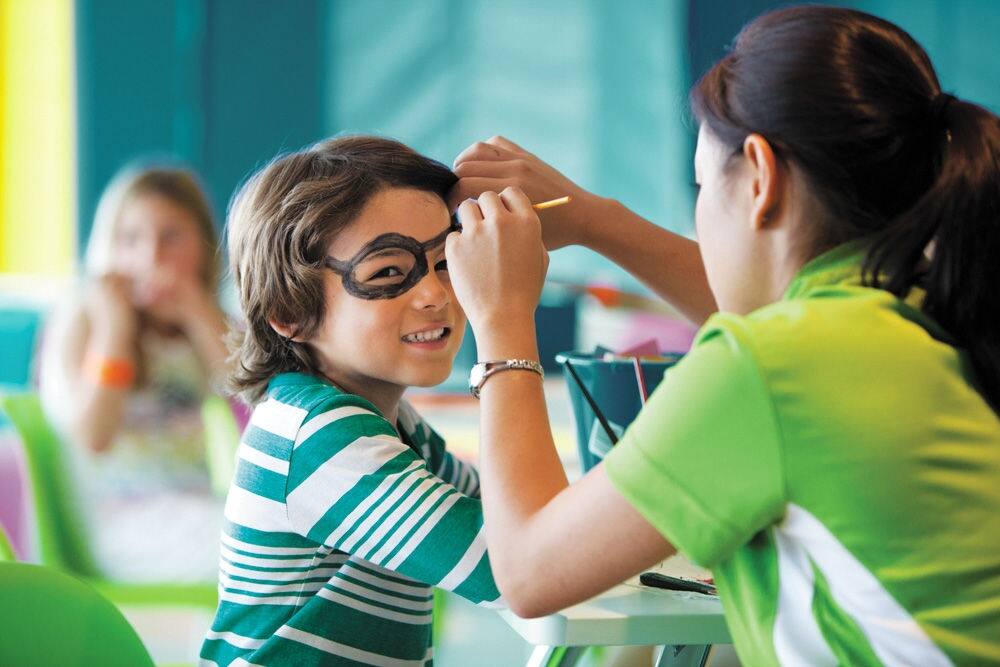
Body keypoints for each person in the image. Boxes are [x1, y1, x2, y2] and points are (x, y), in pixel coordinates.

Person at [444, 6, 1000, 665]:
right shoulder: (935, 309)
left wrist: (503, 317)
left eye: (702, 184)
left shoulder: (771, 364)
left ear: (760, 175)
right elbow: (766, 315)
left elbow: (530, 571)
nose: (702, 212)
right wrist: (593, 220)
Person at [199, 136, 501, 667]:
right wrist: (506, 329)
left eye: (445, 261)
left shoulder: (390, 423)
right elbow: (515, 569)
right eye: (387, 272)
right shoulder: (318, 433)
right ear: (289, 312)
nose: (436, 294)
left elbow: (515, 516)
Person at [39, 165, 231, 582]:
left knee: (277, 534)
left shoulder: (200, 323)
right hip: (121, 524)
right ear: (107, 246)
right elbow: (93, 437)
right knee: (260, 547)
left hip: (194, 512)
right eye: (130, 239)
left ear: (203, 246)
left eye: (171, 237)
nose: (150, 257)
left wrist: (197, 312)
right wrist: (115, 330)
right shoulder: (83, 318)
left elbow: (255, 393)